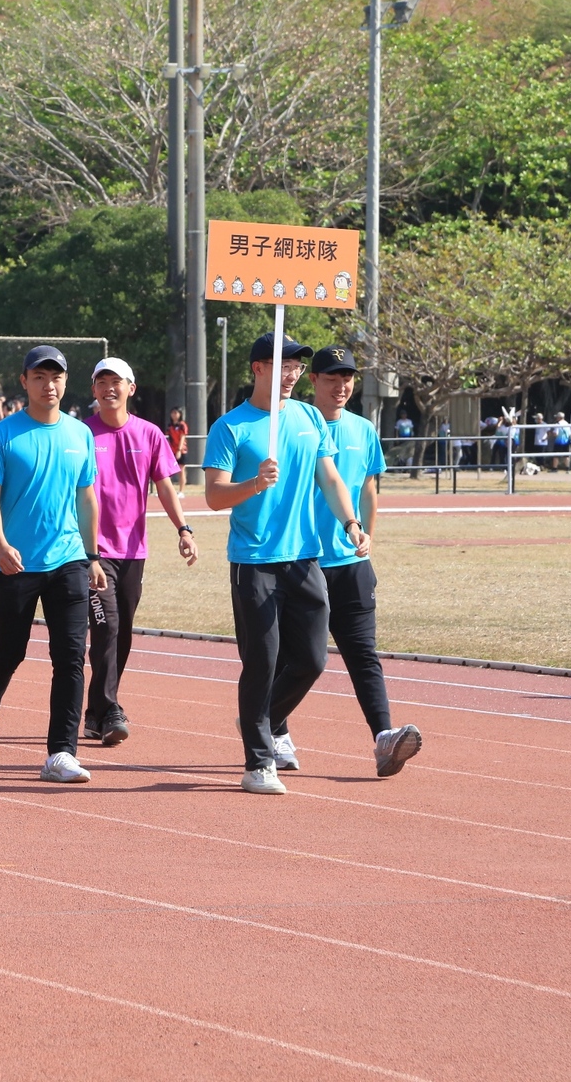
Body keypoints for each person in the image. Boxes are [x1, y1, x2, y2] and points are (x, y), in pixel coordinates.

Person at [203, 332, 366, 796]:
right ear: (257, 368)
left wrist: (350, 522)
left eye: (297, 366)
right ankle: (258, 761)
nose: (292, 374)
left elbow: (329, 476)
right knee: (262, 661)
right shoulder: (231, 427)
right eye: (283, 365)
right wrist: (254, 483)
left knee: (312, 660)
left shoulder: (310, 416)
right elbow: (214, 496)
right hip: (255, 561)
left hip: (305, 556)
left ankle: (259, 717)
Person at [0, 345, 108, 784]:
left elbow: (87, 498)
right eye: (40, 377)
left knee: (70, 657)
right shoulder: (3, 435)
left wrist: (93, 555)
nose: (49, 385)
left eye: (57, 377)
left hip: (68, 561)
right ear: (24, 381)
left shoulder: (80, 434)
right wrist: (1, 544)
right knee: (8, 652)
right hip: (14, 563)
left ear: (66, 383)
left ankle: (61, 753)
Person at [305, 348, 422, 778]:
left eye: (348, 378)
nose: (341, 386)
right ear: (313, 380)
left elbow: (369, 486)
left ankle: (385, 738)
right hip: (302, 560)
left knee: (362, 653)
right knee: (300, 657)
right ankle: (270, 725)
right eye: (332, 378)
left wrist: (366, 536)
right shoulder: (297, 426)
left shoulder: (363, 429)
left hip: (351, 562)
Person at [82, 357, 198, 747]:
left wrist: (183, 529)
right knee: (106, 626)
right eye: (102, 382)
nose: (109, 388)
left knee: (123, 631)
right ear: (94, 390)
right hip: (92, 551)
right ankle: (111, 708)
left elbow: (164, 485)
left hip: (133, 551)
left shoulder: (149, 434)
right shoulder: (82, 435)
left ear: (131, 389)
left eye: (117, 381)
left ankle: (96, 711)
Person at [166, 407, 189, 493]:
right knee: (168, 471)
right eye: (172, 413)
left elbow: (183, 437)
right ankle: (167, 491)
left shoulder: (182, 425)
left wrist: (179, 450)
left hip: (181, 451)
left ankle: (181, 491)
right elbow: (169, 438)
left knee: (181, 471)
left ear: (180, 414)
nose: (174, 415)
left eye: (176, 413)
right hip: (172, 451)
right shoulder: (170, 426)